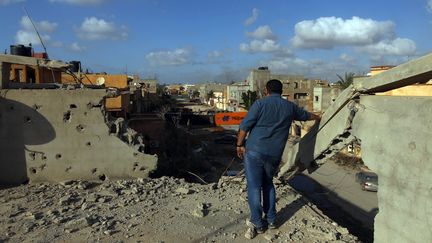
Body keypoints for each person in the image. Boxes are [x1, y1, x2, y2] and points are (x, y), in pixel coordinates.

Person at [236, 79, 320, 239]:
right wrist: (319, 118)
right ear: (281, 91)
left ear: (266, 90)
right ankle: (272, 220)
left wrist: (239, 144)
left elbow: (244, 127)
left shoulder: (259, 105)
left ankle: (258, 223)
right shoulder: (289, 107)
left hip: (254, 151)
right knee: (268, 184)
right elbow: (306, 115)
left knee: (254, 187)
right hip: (274, 154)